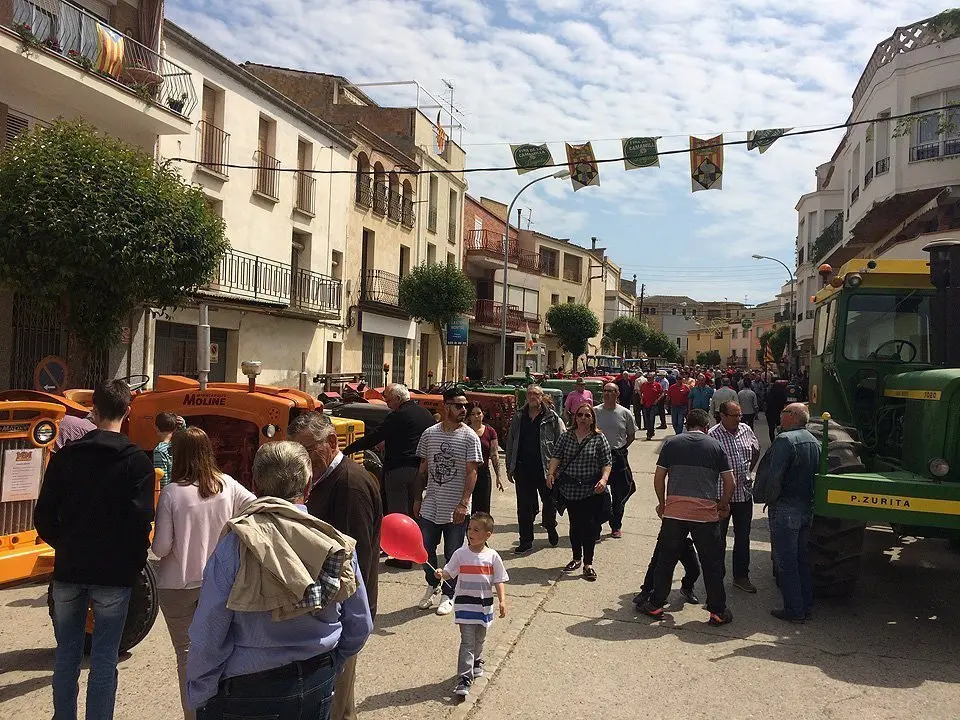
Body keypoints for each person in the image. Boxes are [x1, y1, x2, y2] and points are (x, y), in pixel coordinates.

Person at [186, 442, 373, 719]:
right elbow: (360, 624)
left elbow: (208, 635)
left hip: (250, 689)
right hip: (317, 678)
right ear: (309, 486)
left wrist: (200, 694)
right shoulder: (336, 544)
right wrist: (333, 663)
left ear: (256, 484)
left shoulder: (234, 548)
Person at [34, 380, 155, 720]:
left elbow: (43, 516)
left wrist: (67, 545)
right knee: (104, 660)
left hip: (70, 570)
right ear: (128, 412)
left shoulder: (65, 457)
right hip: (114, 576)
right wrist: (132, 564)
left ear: (94, 410)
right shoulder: (137, 463)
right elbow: (141, 522)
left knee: (67, 656)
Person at [152, 427, 255, 720]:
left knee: (185, 655)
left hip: (178, 585)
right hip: (220, 582)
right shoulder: (228, 486)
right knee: (223, 649)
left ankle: (193, 714)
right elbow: (256, 507)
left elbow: (161, 548)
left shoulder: (172, 493)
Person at [288, 411, 383, 720]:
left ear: (331, 442)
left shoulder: (349, 486)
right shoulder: (323, 478)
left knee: (335, 702)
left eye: (307, 449)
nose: (301, 457)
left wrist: (345, 618)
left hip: (341, 615)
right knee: (340, 704)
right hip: (331, 613)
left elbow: (355, 561)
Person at [636, 409, 736, 626]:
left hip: (674, 513)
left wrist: (663, 504)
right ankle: (717, 611)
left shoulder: (672, 444)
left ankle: (655, 605)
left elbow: (659, 477)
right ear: (706, 426)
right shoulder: (715, 446)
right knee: (712, 564)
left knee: (666, 560)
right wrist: (723, 504)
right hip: (705, 515)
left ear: (687, 424)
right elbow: (730, 482)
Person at [414, 388, 483, 614]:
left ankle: (449, 593)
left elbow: (472, 472)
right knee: (424, 550)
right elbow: (423, 469)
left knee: (453, 552)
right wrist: (417, 498)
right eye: (459, 405)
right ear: (446, 407)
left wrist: (464, 503)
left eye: (465, 406)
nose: (464, 410)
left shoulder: (470, 437)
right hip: (431, 503)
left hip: (456, 507)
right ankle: (433, 583)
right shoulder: (429, 434)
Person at [754, 403, 820, 623]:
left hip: (786, 507)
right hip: (805, 507)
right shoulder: (813, 440)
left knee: (786, 561)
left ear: (792, 417)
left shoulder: (785, 440)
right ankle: (806, 605)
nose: (780, 417)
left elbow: (775, 475)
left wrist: (769, 499)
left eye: (783, 413)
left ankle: (794, 610)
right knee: (801, 558)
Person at [435, 512, 508, 698]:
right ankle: (464, 678)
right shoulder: (460, 554)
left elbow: (499, 580)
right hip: (465, 606)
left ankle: (477, 661)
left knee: (479, 639)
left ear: (488, 535)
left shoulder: (492, 557)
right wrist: (440, 573)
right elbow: (449, 573)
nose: (471, 533)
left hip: (484, 607)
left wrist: (502, 601)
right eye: (469, 529)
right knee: (467, 642)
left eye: (476, 530)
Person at [343, 383, 435, 520]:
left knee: (398, 515)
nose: (387, 405)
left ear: (398, 398)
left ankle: (400, 540)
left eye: (389, 401)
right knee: (414, 511)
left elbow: (375, 437)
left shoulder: (398, 415)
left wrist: (347, 450)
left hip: (399, 470)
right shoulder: (426, 414)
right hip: (421, 471)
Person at [546, 403, 613, 581]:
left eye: (587, 416)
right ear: (575, 418)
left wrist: (604, 479)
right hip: (570, 490)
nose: (583, 418)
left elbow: (607, 462)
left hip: (591, 490)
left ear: (592, 419)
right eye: (580, 415)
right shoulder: (567, 436)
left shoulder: (599, 438)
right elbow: (556, 456)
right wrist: (551, 473)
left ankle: (588, 563)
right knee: (575, 525)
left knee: (589, 526)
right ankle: (576, 558)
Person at [504, 384, 565, 553]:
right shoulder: (519, 416)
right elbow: (511, 441)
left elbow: (561, 444)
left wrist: (557, 469)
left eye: (536, 394)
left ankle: (550, 526)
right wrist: (510, 466)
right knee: (524, 507)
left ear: (542, 396)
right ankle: (525, 541)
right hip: (523, 469)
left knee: (550, 503)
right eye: (530, 394)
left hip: (546, 470)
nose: (532, 397)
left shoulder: (552, 417)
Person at [708, 401, 761, 593]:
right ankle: (716, 581)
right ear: (722, 415)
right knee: (718, 540)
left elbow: (756, 450)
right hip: (721, 498)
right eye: (734, 416)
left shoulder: (746, 430)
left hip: (744, 495)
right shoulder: (712, 435)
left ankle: (741, 576)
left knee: (743, 538)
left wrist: (747, 472)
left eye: (740, 415)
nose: (738, 419)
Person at [594, 383, 636, 538]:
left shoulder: (625, 413)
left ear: (617, 393)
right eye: (605, 391)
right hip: (598, 457)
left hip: (618, 457)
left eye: (610, 391)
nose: (607, 394)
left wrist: (620, 449)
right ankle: (596, 526)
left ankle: (616, 525)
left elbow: (631, 435)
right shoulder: (595, 412)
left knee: (619, 495)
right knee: (598, 494)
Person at [465, 402, 504, 514]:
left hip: (483, 475)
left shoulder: (490, 431)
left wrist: (498, 476)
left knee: (483, 510)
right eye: (473, 414)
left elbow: (494, 454)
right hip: (466, 474)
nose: (476, 416)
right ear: (469, 416)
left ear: (483, 414)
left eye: (479, 413)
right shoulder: (465, 431)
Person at [154, 411, 179, 486]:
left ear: (157, 428)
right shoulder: (178, 444)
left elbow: (161, 478)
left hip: (168, 491)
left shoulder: (160, 450)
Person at [639, 372, 663, 441]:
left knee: (651, 419)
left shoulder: (657, 385)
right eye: (648, 378)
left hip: (653, 405)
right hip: (645, 404)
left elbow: (662, 393)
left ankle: (649, 434)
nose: (649, 379)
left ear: (653, 378)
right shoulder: (644, 385)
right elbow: (641, 392)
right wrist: (641, 399)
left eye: (650, 378)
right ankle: (651, 431)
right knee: (646, 420)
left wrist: (657, 400)